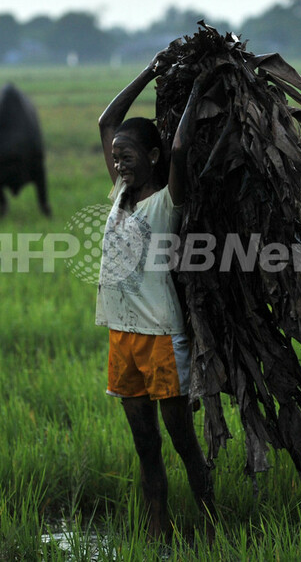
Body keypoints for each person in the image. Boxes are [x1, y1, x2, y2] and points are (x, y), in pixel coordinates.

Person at [96, 53, 216, 542]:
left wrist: (200, 85)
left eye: (127, 156)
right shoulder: (119, 193)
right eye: (115, 156)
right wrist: (149, 70)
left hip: (161, 337)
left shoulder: (167, 200)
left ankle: (212, 531)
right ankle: (157, 534)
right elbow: (106, 121)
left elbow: (181, 146)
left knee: (184, 443)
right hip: (122, 336)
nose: (118, 163)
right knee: (145, 446)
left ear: (152, 156)